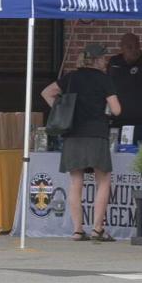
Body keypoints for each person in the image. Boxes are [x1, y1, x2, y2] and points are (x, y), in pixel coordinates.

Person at [40, 44, 121, 242]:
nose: (105, 62)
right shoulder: (104, 80)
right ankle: (97, 229)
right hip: (96, 133)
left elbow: (46, 92)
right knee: (103, 180)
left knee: (76, 181)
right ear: (96, 59)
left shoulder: (71, 78)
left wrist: (61, 110)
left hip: (72, 133)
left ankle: (77, 230)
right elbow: (117, 109)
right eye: (103, 58)